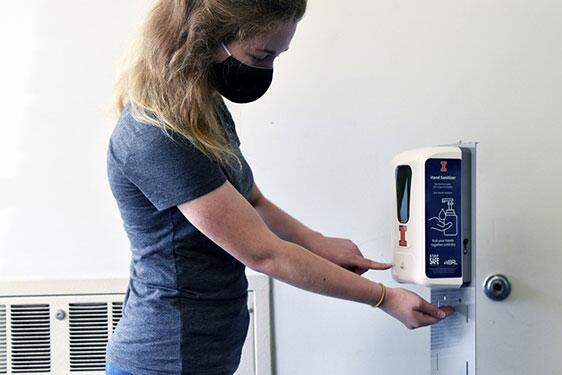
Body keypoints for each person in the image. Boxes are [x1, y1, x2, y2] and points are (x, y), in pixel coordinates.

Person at [105, 1, 454, 374]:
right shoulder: (157, 134)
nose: (267, 69)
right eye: (261, 55)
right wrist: (384, 298)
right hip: (164, 361)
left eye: (277, 56)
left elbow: (251, 200)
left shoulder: (200, 111)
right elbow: (264, 254)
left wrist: (315, 241)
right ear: (209, 39)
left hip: (202, 355)